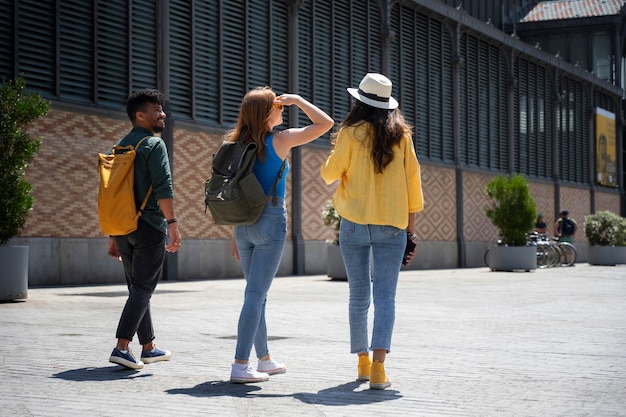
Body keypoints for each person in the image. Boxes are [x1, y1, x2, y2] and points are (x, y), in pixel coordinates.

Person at [320, 73, 424, 390]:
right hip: (392, 226)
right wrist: (411, 232)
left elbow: (329, 173)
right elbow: (413, 185)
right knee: (386, 299)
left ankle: (362, 362)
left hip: (353, 224)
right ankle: (379, 370)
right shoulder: (402, 137)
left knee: (358, 297)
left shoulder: (351, 132)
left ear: (359, 102)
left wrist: (336, 148)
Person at [229, 86, 334, 383]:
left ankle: (263, 359)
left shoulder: (236, 145)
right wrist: (299, 99)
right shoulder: (282, 140)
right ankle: (240, 364)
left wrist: (235, 235)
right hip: (270, 222)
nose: (282, 109)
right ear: (265, 113)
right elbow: (325, 124)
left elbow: (232, 190)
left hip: (242, 224)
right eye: (278, 105)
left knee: (255, 296)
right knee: (255, 295)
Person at [106, 88, 182, 370]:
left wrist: (114, 235)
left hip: (123, 227)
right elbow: (164, 187)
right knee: (143, 288)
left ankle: (148, 347)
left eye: (161, 109)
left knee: (138, 288)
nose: (162, 114)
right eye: (155, 109)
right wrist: (172, 225)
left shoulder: (118, 147)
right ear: (140, 115)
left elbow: (113, 194)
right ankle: (122, 347)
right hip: (149, 226)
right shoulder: (153, 145)